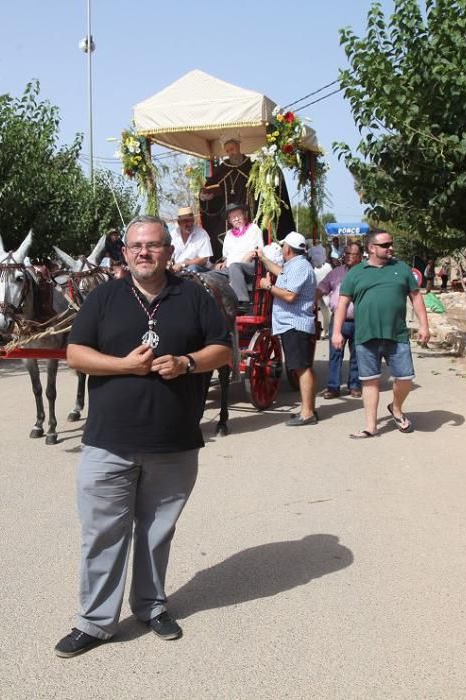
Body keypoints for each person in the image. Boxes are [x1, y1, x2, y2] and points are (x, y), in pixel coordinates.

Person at [55, 215, 231, 658]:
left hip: (174, 443)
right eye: (136, 246)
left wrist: (188, 363)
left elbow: (223, 348)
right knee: (102, 534)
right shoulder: (104, 297)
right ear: (125, 253)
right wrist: (123, 366)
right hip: (107, 442)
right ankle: (95, 622)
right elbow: (75, 353)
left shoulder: (194, 295)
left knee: (156, 533)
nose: (144, 252)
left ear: (169, 251)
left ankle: (151, 606)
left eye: (153, 245)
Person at [332, 231, 430, 438]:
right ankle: (371, 426)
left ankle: (395, 408)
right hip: (366, 336)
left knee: (405, 379)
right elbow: (342, 304)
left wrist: (424, 326)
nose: (390, 248)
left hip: (397, 335)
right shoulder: (356, 273)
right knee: (370, 381)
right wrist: (336, 332)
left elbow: (416, 298)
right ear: (372, 248)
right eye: (385, 245)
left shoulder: (401, 269)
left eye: (391, 244)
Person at [256, 231, 318, 426]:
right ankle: (307, 410)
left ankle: (307, 413)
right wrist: (263, 259)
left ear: (288, 249)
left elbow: (290, 296)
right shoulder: (294, 265)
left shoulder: (300, 267)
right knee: (301, 368)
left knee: (302, 368)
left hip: (296, 324)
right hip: (291, 324)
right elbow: (280, 272)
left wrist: (268, 287)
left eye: (283, 246)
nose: (282, 249)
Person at [198, 138, 296, 253]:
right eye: (227, 151)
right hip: (228, 219)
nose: (230, 153)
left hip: (251, 215)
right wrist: (205, 197)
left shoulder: (252, 167)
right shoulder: (221, 171)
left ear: (238, 147)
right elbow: (210, 192)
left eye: (232, 149)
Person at [315, 241, 363, 400]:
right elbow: (322, 288)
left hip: (360, 321)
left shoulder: (366, 273)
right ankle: (333, 386)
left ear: (361, 257)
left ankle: (355, 385)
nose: (348, 257)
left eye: (352, 254)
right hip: (339, 321)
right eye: (346, 253)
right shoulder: (336, 273)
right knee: (335, 355)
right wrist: (310, 302)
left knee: (357, 355)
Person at [214, 202, 264, 308]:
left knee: (235, 266)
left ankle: (242, 301)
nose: (236, 219)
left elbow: (260, 250)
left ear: (244, 216)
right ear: (229, 220)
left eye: (238, 215)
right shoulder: (228, 234)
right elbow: (227, 257)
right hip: (231, 267)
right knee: (213, 274)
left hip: (250, 266)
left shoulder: (253, 229)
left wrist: (251, 255)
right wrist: (223, 263)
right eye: (233, 217)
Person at [169, 206, 213, 273]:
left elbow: (204, 259)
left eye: (191, 220)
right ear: (179, 222)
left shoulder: (202, 234)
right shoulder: (173, 235)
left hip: (201, 271)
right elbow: (168, 255)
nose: (189, 224)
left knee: (192, 268)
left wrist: (184, 264)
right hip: (178, 270)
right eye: (186, 221)